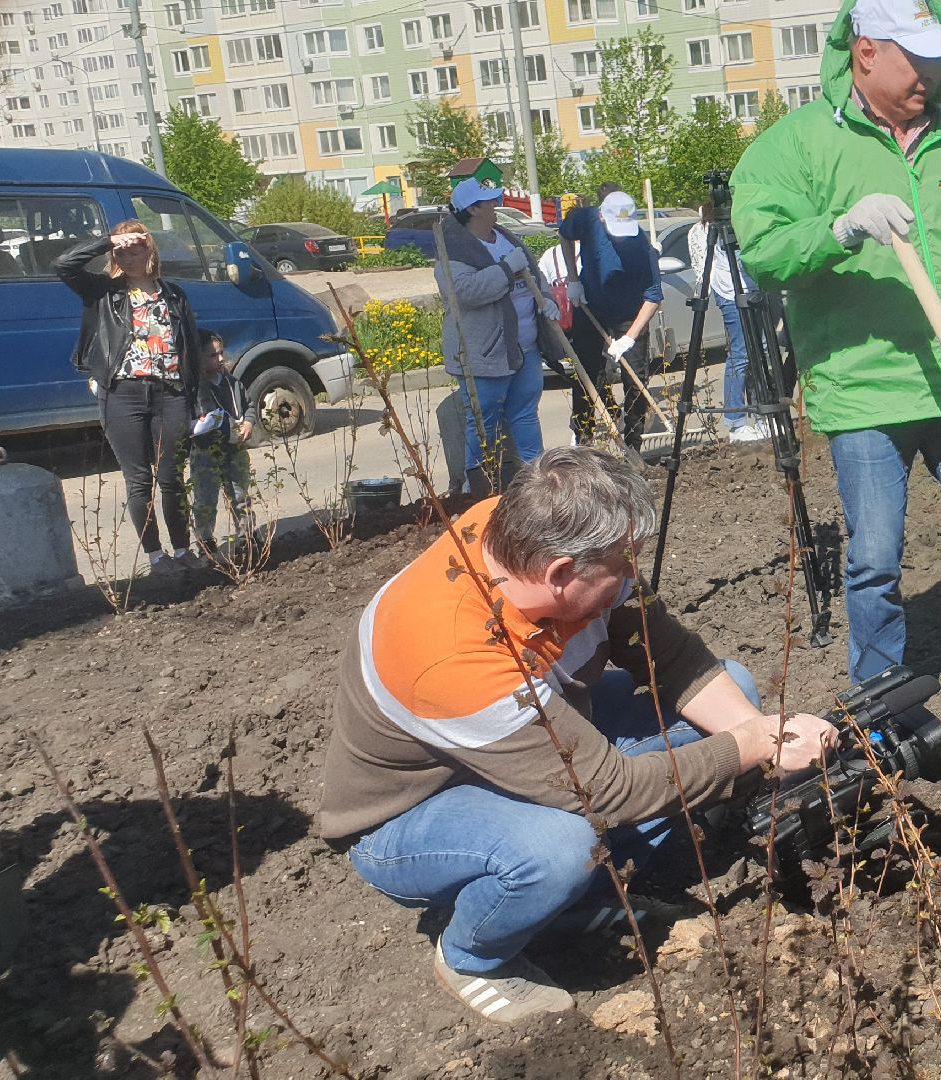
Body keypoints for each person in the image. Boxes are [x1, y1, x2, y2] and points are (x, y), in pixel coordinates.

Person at [318, 446, 837, 1022]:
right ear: (562, 575)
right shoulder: (450, 655)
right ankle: (472, 955)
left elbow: (671, 655)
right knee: (561, 846)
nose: (630, 579)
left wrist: (766, 737)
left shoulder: (527, 529)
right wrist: (757, 746)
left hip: (529, 737)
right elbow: (607, 792)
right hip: (413, 816)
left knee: (731, 693)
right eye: (622, 566)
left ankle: (575, 896)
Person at [732, 0, 941, 726]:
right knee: (875, 558)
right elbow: (764, 252)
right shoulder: (795, 145)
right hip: (867, 389)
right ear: (865, 52)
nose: (935, 74)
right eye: (918, 59)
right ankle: (880, 701)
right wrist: (840, 228)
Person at [58, 220, 208, 573]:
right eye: (120, 252)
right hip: (122, 394)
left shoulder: (173, 294)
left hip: (170, 393)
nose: (128, 257)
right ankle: (157, 557)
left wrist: (196, 400)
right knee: (139, 479)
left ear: (150, 250)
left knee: (172, 478)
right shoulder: (103, 291)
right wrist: (107, 240)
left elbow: (190, 351)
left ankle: (184, 551)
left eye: (135, 249)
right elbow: (63, 265)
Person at [439, 179, 550, 495]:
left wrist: (548, 300)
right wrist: (504, 271)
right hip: (484, 354)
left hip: (525, 348)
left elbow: (534, 277)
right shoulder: (455, 250)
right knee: (482, 421)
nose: (494, 206)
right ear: (472, 209)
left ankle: (536, 485)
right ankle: (482, 490)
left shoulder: (505, 236)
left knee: (525, 414)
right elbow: (463, 292)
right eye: (488, 202)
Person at [557, 186, 663, 446]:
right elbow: (564, 236)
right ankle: (583, 439)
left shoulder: (642, 248)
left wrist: (628, 338)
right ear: (602, 218)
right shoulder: (585, 219)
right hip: (591, 306)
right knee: (586, 374)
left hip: (630, 313)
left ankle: (633, 441)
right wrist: (573, 280)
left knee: (636, 379)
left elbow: (653, 298)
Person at [685, 205, 764, 443]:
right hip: (730, 292)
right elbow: (703, 266)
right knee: (740, 355)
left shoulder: (744, 218)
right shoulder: (707, 229)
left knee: (760, 353)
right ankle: (736, 421)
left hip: (753, 289)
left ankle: (762, 414)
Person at [187, 330, 257, 559]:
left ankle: (246, 537)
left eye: (220, 353)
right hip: (207, 453)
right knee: (205, 500)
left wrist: (248, 422)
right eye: (210, 355)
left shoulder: (232, 383)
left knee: (239, 494)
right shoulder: (195, 390)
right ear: (196, 358)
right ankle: (206, 542)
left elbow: (249, 405)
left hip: (234, 450)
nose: (218, 359)